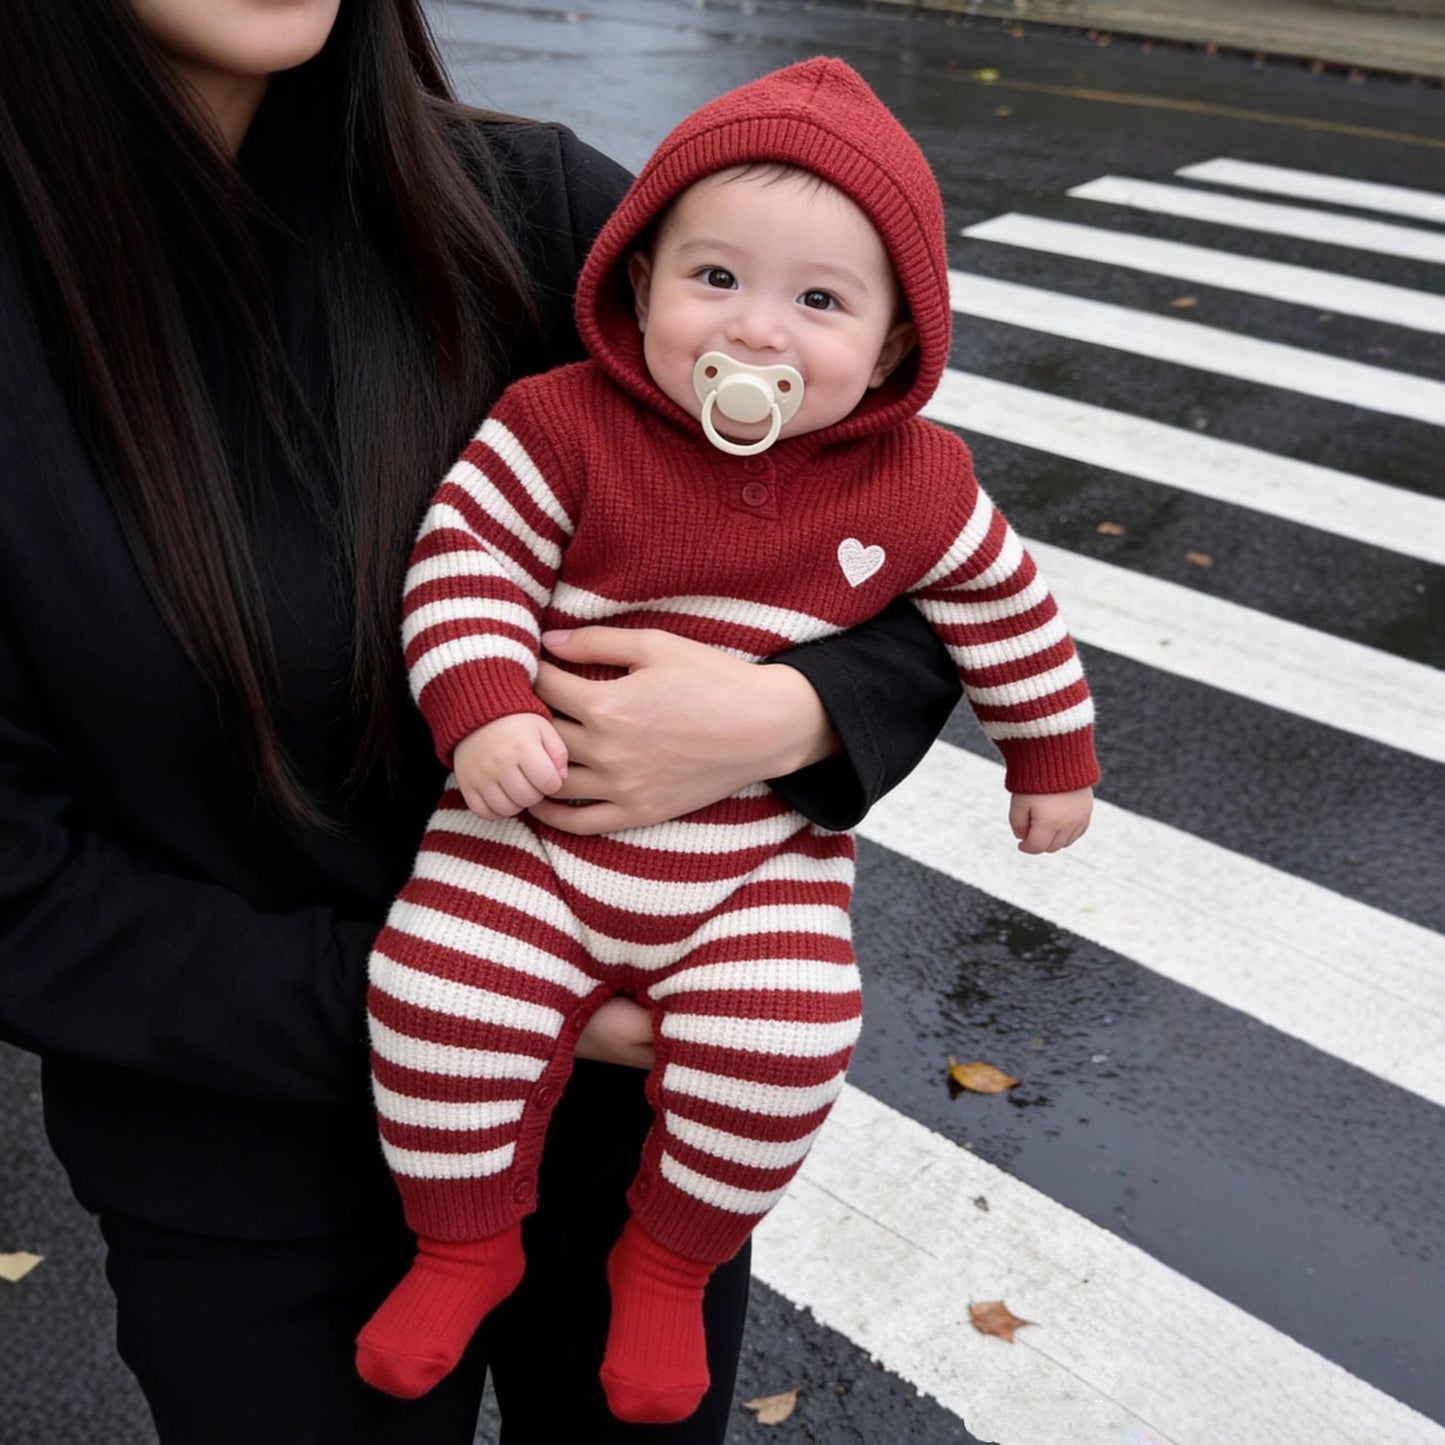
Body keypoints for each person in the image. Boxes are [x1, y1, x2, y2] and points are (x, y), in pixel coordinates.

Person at [0, 4, 969, 1442]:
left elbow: (898, 532)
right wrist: (467, 1002)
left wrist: (788, 712)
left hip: (628, 1167)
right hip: (243, 1174)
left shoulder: (532, 217)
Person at [354, 57, 1099, 1426]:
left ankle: (667, 1262)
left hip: (755, 864)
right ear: (637, 286)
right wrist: (484, 707)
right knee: (435, 998)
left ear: (888, 348)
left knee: (786, 1040)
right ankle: (460, 1240)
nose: (754, 331)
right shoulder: (560, 422)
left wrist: (1051, 757)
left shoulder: (916, 481)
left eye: (817, 301)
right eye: (713, 279)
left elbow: (1006, 610)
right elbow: (462, 562)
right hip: (529, 836)